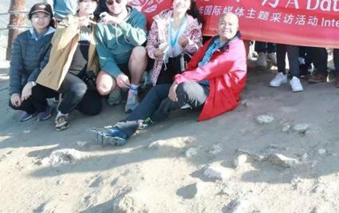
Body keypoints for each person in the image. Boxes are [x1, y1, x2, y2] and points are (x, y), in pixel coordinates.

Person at [93, 13, 247, 146]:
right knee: (157, 90)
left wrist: (180, 79)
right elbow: (195, 62)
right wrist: (181, 77)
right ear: (218, 26)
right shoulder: (214, 40)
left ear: (237, 27)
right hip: (197, 83)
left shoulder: (235, 48)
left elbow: (208, 70)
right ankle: (122, 130)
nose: (226, 27)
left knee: (183, 89)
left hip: (215, 93)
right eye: (223, 23)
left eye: (230, 24)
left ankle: (152, 117)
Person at [25, 0, 104, 131]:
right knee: (79, 88)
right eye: (85, 1)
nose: (88, 4)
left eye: (92, 2)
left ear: (97, 5)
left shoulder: (96, 24)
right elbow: (58, 43)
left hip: (84, 74)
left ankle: (69, 96)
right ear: (78, 4)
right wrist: (77, 25)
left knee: (94, 108)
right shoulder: (68, 20)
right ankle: (62, 113)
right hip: (64, 71)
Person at [93, 0, 148, 112]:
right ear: (106, 4)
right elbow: (104, 57)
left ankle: (133, 90)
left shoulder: (137, 17)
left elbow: (140, 40)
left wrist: (119, 23)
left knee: (140, 51)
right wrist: (117, 74)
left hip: (134, 62)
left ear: (126, 0)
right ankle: (118, 87)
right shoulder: (101, 26)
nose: (114, 5)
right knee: (103, 88)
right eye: (110, 2)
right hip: (115, 63)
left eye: (118, 0)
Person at [8, 3, 56, 122]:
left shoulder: (55, 36)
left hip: (48, 80)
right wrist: (15, 91)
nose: (40, 20)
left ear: (50, 18)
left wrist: (31, 83)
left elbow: (46, 63)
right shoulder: (21, 38)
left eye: (45, 16)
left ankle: (43, 108)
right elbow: (15, 66)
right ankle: (31, 109)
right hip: (27, 81)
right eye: (36, 16)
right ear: (30, 18)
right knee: (14, 102)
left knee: (35, 90)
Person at [146, 0, 204, 87]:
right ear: (172, 2)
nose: (181, 2)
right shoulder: (160, 20)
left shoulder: (194, 25)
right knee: (161, 90)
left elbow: (198, 50)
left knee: (178, 89)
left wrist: (187, 45)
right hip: (163, 63)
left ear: (189, 6)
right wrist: (155, 53)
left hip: (182, 63)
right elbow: (150, 43)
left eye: (185, 0)